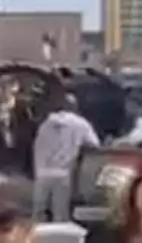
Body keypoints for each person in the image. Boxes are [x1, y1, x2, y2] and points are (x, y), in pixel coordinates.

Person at [32, 92, 99, 222]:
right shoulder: (81, 124)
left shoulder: (46, 124)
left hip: (42, 172)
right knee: (60, 213)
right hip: (63, 173)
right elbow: (94, 145)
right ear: (75, 107)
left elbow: (38, 145)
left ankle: (35, 238)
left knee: (38, 212)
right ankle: (59, 240)